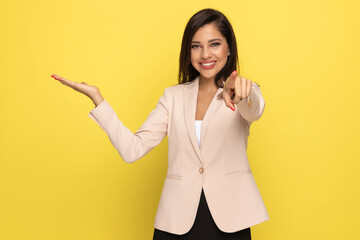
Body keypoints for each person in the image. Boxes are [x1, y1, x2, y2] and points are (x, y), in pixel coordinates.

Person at [51, 8, 269, 240]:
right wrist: (98, 99)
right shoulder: (172, 97)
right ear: (188, 51)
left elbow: (254, 109)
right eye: (196, 46)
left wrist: (240, 91)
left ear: (228, 49)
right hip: (176, 221)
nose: (205, 54)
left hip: (230, 219)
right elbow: (131, 150)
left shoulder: (244, 91)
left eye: (214, 44)